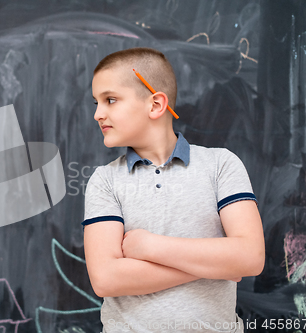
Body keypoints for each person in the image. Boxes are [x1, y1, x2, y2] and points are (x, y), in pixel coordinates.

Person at [82, 47, 265, 333]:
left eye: (110, 100)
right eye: (96, 102)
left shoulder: (221, 165)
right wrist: (218, 264)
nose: (97, 114)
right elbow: (106, 279)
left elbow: (250, 257)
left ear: (155, 104)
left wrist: (149, 247)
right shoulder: (105, 180)